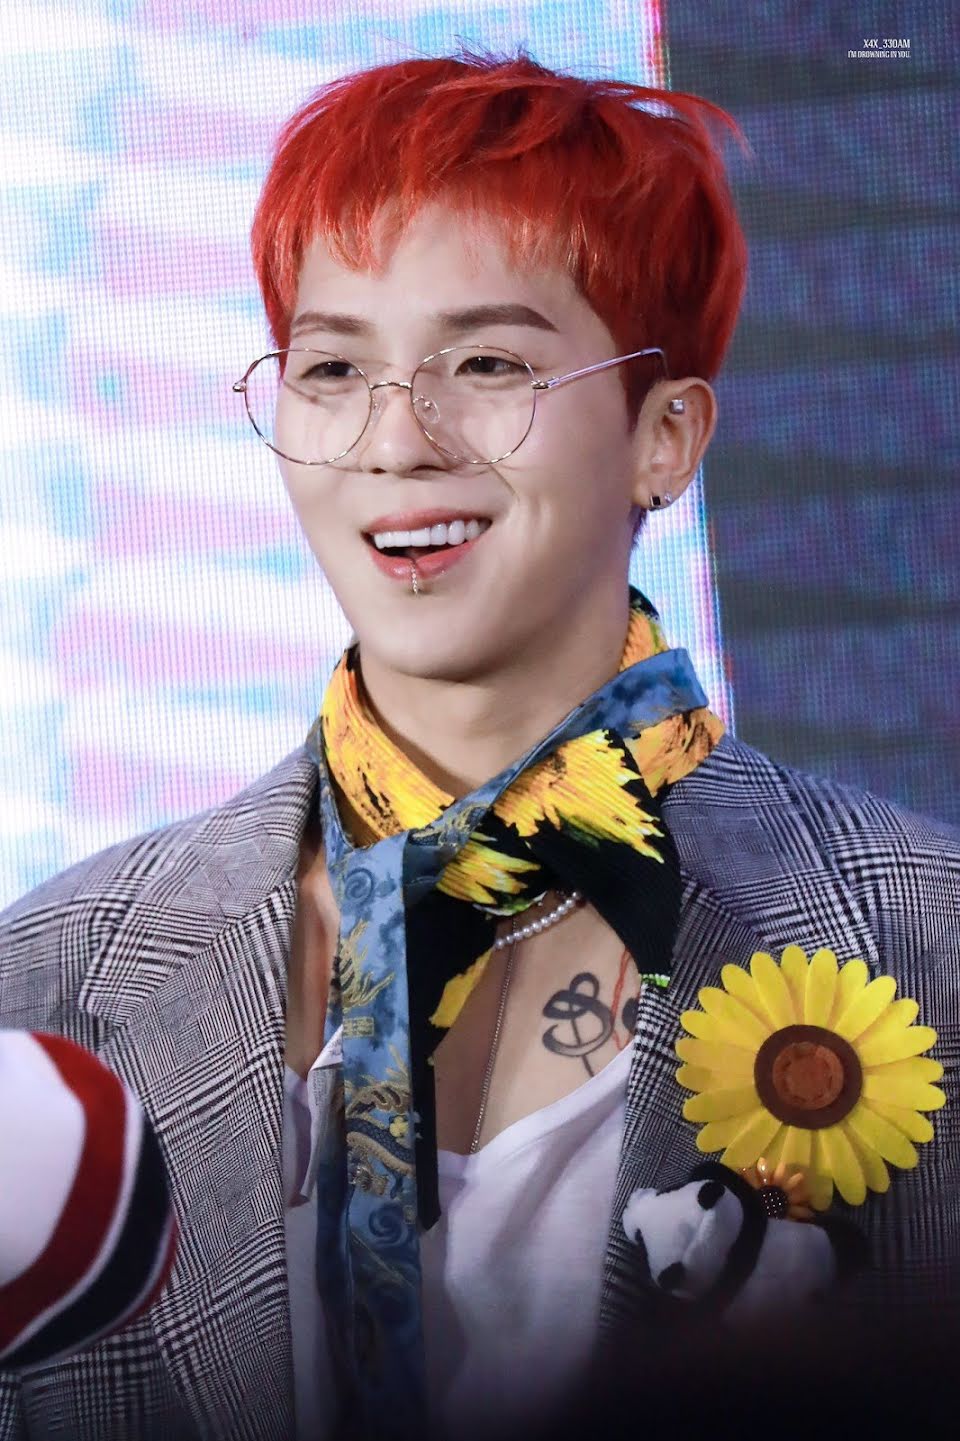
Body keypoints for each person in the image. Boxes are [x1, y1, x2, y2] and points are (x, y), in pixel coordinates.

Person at [1, 49, 958, 1441]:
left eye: (490, 363)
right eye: (334, 367)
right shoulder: (49, 986)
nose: (398, 440)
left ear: (667, 436)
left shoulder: (927, 942)